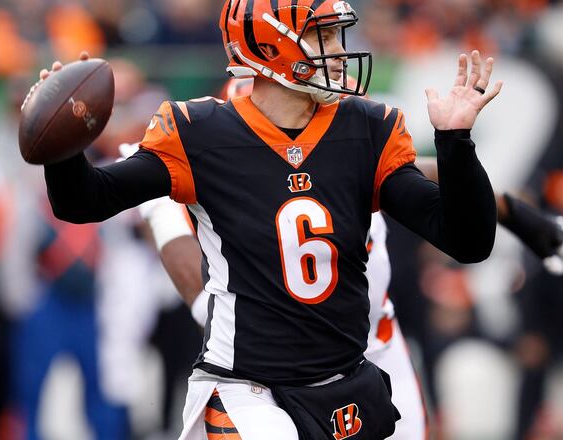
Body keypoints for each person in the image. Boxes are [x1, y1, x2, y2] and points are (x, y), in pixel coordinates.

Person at [32, 1, 502, 437]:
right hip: (245, 388)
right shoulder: (201, 133)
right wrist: (63, 147)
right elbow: (85, 202)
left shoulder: (366, 128)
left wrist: (456, 141)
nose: (340, 53)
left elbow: (466, 240)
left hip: (344, 383)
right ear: (269, 44)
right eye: (324, 37)